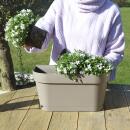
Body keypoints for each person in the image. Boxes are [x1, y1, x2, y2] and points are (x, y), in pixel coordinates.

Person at [24, 0, 125, 80]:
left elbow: (115, 51)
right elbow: (44, 26)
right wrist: (29, 40)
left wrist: (96, 67)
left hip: (93, 83)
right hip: (58, 79)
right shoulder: (60, 4)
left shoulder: (111, 11)